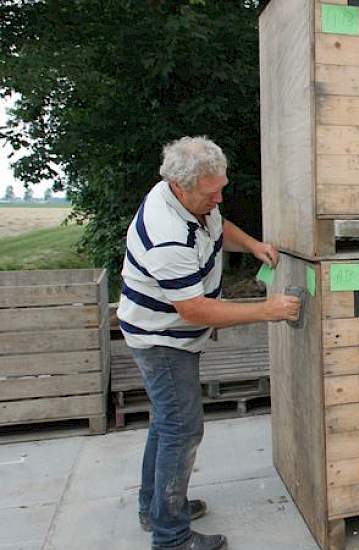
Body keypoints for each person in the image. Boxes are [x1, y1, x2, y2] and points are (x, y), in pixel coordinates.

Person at [117, 136, 299, 550]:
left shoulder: (196, 204)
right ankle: (171, 537)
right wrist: (266, 310)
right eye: (211, 192)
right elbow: (195, 311)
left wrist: (252, 244)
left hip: (168, 333)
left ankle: (156, 507)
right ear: (181, 187)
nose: (219, 198)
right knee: (182, 429)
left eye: (222, 188)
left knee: (167, 423)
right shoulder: (165, 233)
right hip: (162, 341)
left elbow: (219, 229)